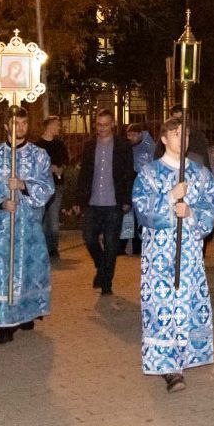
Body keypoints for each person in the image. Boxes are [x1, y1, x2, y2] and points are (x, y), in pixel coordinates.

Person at [133, 115, 214, 393]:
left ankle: (183, 357)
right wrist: (170, 199)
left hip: (190, 254)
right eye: (176, 133)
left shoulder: (200, 174)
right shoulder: (148, 173)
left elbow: (210, 210)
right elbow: (142, 211)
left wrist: (191, 212)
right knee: (162, 308)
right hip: (159, 256)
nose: (182, 139)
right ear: (164, 138)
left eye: (186, 134)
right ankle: (168, 368)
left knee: (185, 304)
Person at [0, 106, 54, 345]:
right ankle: (3, 325)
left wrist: (23, 185)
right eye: (15, 123)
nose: (20, 128)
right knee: (2, 272)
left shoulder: (39, 155)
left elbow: (47, 186)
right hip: (2, 228)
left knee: (29, 271)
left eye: (24, 123)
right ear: (6, 126)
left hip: (28, 225)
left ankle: (26, 313)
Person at [68, 108, 135, 295]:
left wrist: (127, 199)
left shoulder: (123, 145)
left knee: (111, 243)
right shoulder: (90, 146)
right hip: (93, 202)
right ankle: (101, 265)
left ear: (113, 124)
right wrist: (78, 199)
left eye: (106, 124)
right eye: (99, 124)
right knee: (89, 238)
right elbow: (84, 175)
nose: (102, 128)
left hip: (114, 203)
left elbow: (128, 173)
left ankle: (106, 283)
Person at [34, 115, 68, 261]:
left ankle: (53, 249)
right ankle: (41, 249)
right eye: (56, 125)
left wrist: (60, 169)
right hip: (41, 187)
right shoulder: (37, 145)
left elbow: (65, 161)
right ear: (48, 126)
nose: (58, 128)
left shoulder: (60, 145)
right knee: (41, 219)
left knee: (53, 220)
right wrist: (48, 168)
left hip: (56, 185)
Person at [121, 122, 157, 255]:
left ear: (140, 134)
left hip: (142, 182)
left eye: (132, 135)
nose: (130, 138)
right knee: (128, 215)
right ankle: (127, 245)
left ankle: (139, 245)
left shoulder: (148, 147)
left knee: (140, 215)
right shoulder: (131, 147)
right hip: (131, 181)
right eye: (128, 135)